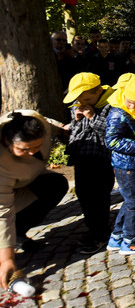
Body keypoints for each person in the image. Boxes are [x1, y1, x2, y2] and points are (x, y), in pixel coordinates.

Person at [0, 111, 69, 289]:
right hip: (4, 192)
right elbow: (3, 213)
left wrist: (63, 131)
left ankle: (19, 232)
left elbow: (45, 121)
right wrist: (7, 258)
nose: (31, 153)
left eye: (36, 147)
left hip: (27, 180)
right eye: (24, 149)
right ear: (8, 142)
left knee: (57, 184)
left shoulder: (35, 122)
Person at [63, 72, 116, 254]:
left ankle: (100, 233)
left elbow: (110, 133)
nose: (83, 103)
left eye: (87, 98)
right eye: (79, 99)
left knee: (99, 197)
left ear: (99, 91)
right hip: (81, 157)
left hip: (101, 158)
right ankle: (92, 228)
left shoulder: (110, 106)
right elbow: (75, 131)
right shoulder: (77, 106)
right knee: (84, 195)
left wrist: (93, 117)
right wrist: (77, 120)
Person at [105, 75, 135, 254]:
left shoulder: (134, 109)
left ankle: (116, 236)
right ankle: (129, 241)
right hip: (126, 166)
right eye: (131, 102)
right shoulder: (118, 113)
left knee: (130, 201)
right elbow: (111, 141)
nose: (133, 106)